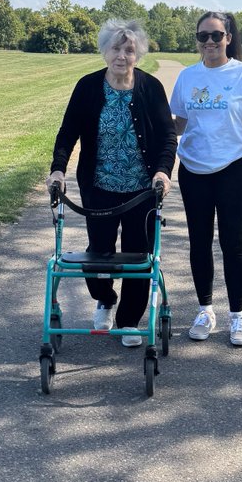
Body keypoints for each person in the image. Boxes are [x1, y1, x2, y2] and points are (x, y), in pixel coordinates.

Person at [47, 19, 176, 346]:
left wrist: (163, 172)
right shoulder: (88, 86)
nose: (122, 56)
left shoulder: (150, 88)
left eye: (129, 50)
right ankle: (105, 298)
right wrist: (58, 170)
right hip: (99, 188)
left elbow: (167, 137)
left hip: (142, 191)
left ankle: (129, 321)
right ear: (105, 51)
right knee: (99, 254)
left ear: (138, 54)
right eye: (116, 48)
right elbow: (67, 133)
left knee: (138, 256)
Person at [169, 11, 242, 347]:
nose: (210, 41)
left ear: (228, 38)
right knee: (199, 243)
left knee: (232, 244)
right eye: (203, 36)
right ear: (197, 40)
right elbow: (179, 123)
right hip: (194, 171)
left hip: (234, 169)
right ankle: (205, 312)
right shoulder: (187, 76)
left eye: (216, 35)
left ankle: (237, 316)